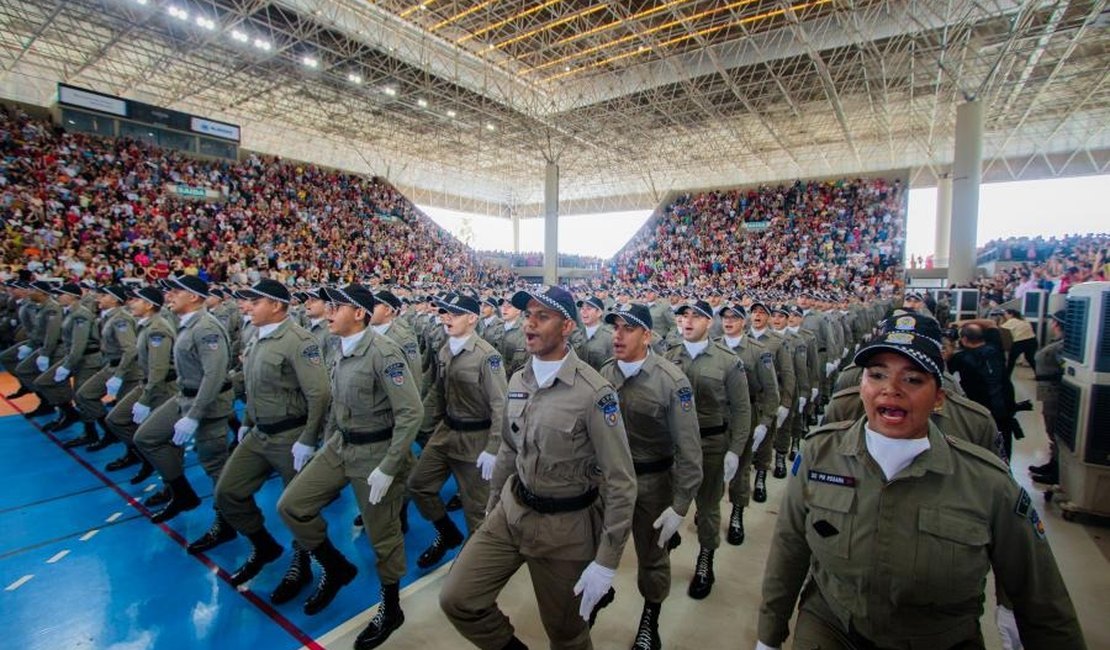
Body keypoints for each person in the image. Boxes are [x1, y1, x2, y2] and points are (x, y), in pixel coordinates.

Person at [756, 313, 1086, 650]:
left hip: (938, 637)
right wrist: (769, 635)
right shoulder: (820, 454)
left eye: (912, 379)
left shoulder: (987, 482)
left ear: (940, 396)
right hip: (835, 624)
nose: (891, 389)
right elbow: (790, 546)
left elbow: (1041, 596)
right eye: (877, 375)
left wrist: (1008, 605)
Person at [439, 285, 636, 650]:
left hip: (565, 530)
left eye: (542, 316)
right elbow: (509, 452)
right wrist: (492, 509)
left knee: (567, 635)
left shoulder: (595, 393)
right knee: (457, 598)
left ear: (567, 327)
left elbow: (621, 481)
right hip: (511, 513)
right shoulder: (518, 381)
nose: (529, 324)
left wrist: (607, 561)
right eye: (528, 315)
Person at [276, 283, 422, 649]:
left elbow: (411, 412)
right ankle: (336, 565)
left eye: (337, 306)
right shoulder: (337, 348)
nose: (328, 311)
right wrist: (320, 442)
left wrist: (390, 466)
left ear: (359, 313)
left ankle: (391, 606)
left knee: (382, 537)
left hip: (375, 452)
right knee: (292, 506)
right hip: (340, 445)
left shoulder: (384, 353)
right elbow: (337, 403)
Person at [212, 280, 331, 593]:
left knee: (296, 506)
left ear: (277, 305)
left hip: (290, 434)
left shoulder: (299, 340)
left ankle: (302, 561)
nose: (248, 306)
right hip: (258, 431)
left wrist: (309, 437)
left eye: (255, 300)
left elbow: (319, 393)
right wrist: (247, 420)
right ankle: (263, 545)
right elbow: (254, 384)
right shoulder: (255, 335)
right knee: (227, 492)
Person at [599, 304, 702, 650]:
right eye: (615, 327)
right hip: (609, 482)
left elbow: (690, 451)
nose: (617, 334)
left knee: (652, 557)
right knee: (593, 546)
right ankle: (600, 591)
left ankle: (650, 619)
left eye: (628, 328)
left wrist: (680, 506)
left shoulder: (672, 382)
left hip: (653, 483)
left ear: (647, 335)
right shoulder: (603, 374)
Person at [134, 275, 235, 552]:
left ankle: (227, 520)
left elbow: (214, 375)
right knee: (147, 437)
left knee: (215, 465)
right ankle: (181, 492)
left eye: (177, 291)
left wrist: (194, 414)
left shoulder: (205, 328)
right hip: (184, 396)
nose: (169, 296)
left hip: (207, 404)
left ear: (193, 296)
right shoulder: (187, 324)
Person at [408, 292, 507, 569]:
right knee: (418, 485)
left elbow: (501, 404)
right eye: (444, 312)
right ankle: (447, 533)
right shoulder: (444, 349)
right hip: (446, 432)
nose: (446, 317)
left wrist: (493, 448)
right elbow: (438, 395)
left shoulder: (487, 357)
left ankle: (473, 568)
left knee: (477, 511)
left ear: (472, 319)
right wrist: (420, 426)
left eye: (454, 313)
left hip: (476, 440)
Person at [664, 299, 751, 599]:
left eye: (696, 316)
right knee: (668, 500)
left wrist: (735, 450)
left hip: (711, 444)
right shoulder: (668, 355)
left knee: (708, 505)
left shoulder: (728, 361)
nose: (687, 321)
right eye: (683, 316)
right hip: (673, 445)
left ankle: (705, 559)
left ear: (709, 322)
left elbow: (742, 409)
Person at [716, 302, 777, 544]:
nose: (728, 321)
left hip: (745, 415)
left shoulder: (757, 350)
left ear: (744, 322)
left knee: (740, 468)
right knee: (713, 467)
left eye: (734, 317)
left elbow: (771, 391)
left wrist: (764, 422)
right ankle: (709, 507)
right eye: (725, 317)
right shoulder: (714, 347)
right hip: (717, 415)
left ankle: (737, 513)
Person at [103, 286, 175, 485]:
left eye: (136, 300)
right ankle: (145, 457)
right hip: (148, 382)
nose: (130, 303)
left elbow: (159, 369)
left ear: (149, 304)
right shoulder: (147, 325)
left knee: (161, 437)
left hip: (162, 387)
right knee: (116, 419)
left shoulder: (157, 328)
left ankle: (173, 484)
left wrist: (144, 398)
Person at [72, 285, 140, 452]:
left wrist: (119, 374)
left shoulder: (120, 319)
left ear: (115, 300)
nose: (98, 298)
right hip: (111, 365)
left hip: (125, 369)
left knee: (124, 416)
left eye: (104, 295)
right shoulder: (108, 317)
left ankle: (134, 451)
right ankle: (111, 433)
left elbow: (130, 349)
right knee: (84, 395)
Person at [1030, 310, 1066, 485]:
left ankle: (1057, 470)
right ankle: (1053, 463)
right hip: (1047, 389)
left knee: (1055, 428)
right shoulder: (1057, 342)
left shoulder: (1063, 346)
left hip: (1054, 390)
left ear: (1057, 324)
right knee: (1050, 426)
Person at [574, 296, 614, 372]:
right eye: (582, 308)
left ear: (599, 313)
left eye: (588, 309)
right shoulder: (577, 334)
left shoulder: (610, 337)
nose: (583, 312)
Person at [1000, 309, 1038, 375]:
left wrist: (1001, 319)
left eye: (1005, 314)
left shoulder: (1012, 320)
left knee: (1011, 359)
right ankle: (1038, 373)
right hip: (1032, 340)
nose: (1004, 315)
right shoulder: (1024, 320)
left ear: (1011, 314)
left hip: (1020, 341)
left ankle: (1007, 375)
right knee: (1030, 358)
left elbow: (1000, 327)